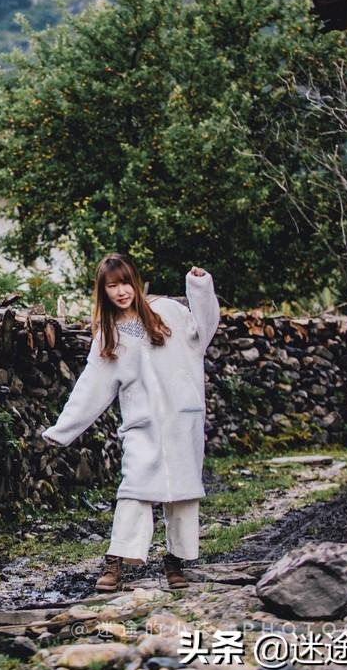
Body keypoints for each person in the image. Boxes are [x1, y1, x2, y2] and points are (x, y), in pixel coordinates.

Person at [39, 253, 220, 592]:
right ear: (103, 291)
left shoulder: (169, 313)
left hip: (183, 421)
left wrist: (199, 288)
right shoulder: (110, 337)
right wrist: (61, 430)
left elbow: (205, 328)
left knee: (182, 495)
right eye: (112, 286)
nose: (120, 291)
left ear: (134, 281)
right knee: (134, 491)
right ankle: (116, 562)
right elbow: (91, 387)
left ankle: (174, 561)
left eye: (124, 283)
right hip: (142, 427)